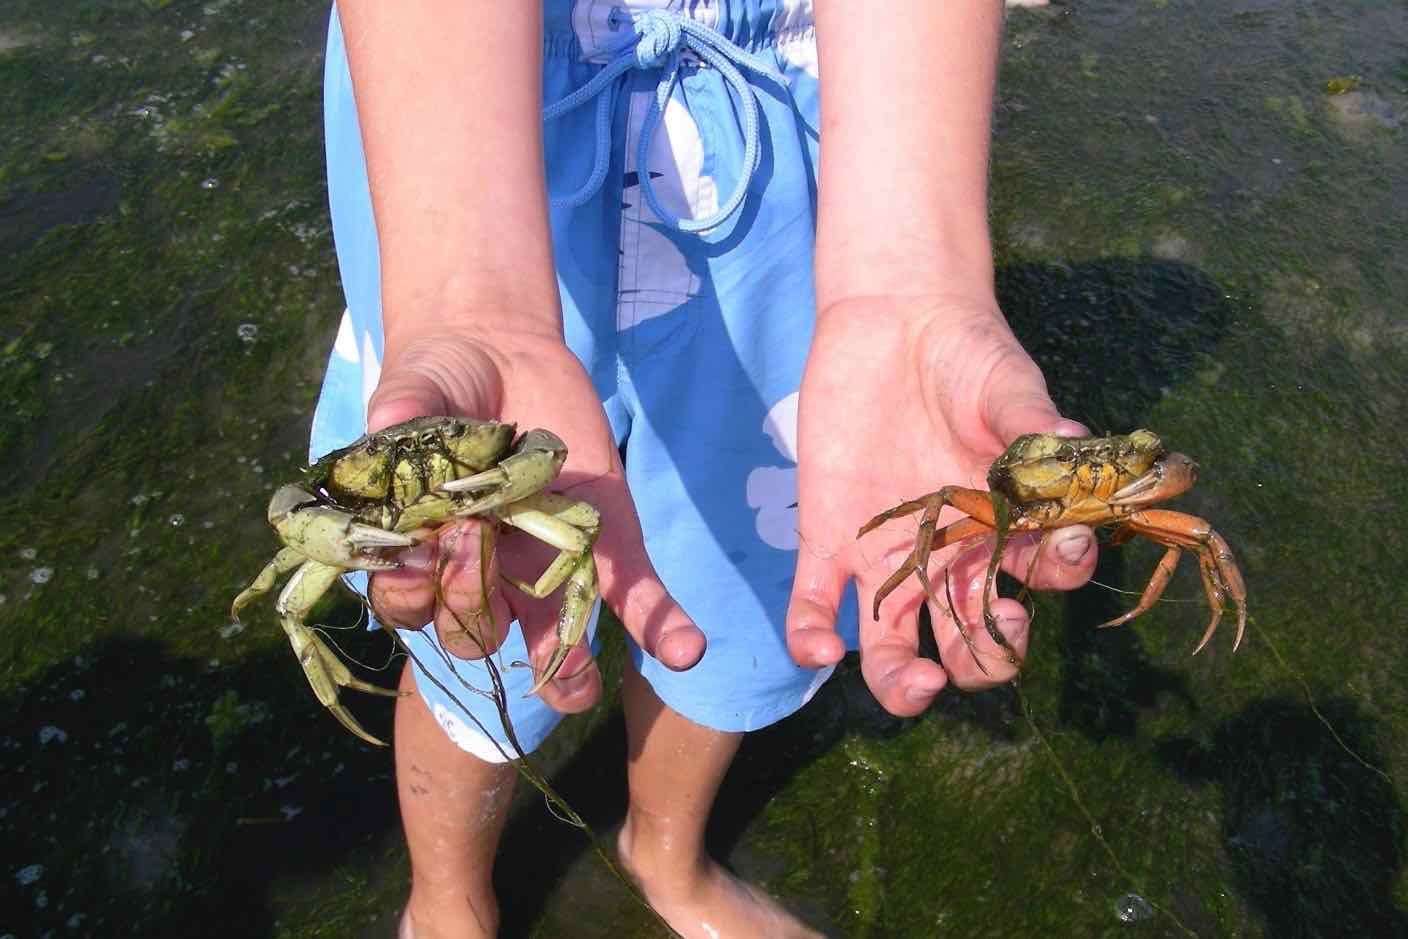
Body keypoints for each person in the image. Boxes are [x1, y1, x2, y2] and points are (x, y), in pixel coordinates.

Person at [314, 2, 1099, 936]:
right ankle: (447, 895)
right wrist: (467, 302)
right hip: (457, 132)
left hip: (810, 121)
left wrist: (911, 277)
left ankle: (667, 852)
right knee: (478, 602)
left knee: (751, 580)